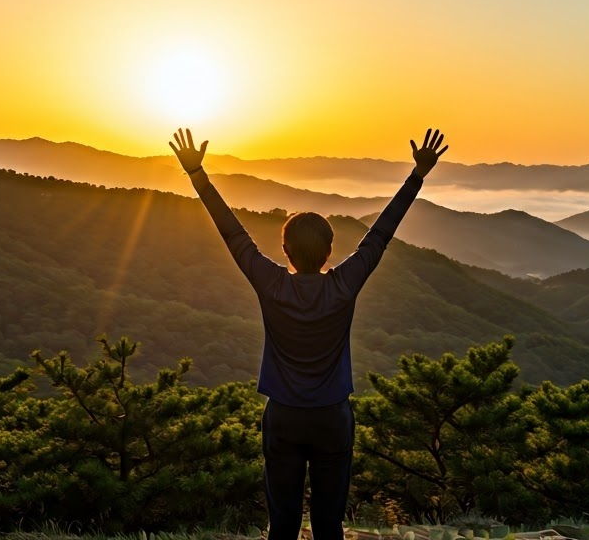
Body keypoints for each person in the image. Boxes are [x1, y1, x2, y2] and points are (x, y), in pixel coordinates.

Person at [168, 127, 449, 540]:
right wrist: (417, 176)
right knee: (328, 524)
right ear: (329, 252)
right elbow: (380, 235)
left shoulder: (272, 284)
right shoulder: (342, 285)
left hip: (282, 416)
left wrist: (198, 175)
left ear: (285, 252)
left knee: (282, 523)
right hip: (332, 418)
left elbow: (233, 234)